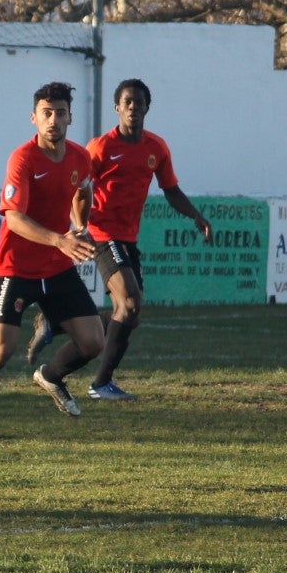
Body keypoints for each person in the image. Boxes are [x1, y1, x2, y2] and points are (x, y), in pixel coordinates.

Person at [27, 79, 214, 400]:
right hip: (101, 233)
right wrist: (78, 225)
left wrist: (195, 215)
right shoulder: (101, 147)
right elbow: (79, 187)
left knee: (130, 313)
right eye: (127, 102)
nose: (132, 108)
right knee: (129, 302)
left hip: (128, 237)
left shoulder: (156, 148)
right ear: (117, 108)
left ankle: (57, 337)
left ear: (146, 109)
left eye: (138, 103)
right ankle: (101, 383)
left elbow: (170, 189)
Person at [0, 82, 105, 438]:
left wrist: (81, 226)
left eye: (60, 113)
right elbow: (13, 216)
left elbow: (83, 190)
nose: (53, 120)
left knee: (93, 342)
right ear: (34, 118)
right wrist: (60, 239)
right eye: (46, 113)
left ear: (70, 117)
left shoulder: (79, 157)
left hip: (56, 266)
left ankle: (51, 376)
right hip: (17, 267)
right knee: (1, 350)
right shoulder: (23, 159)